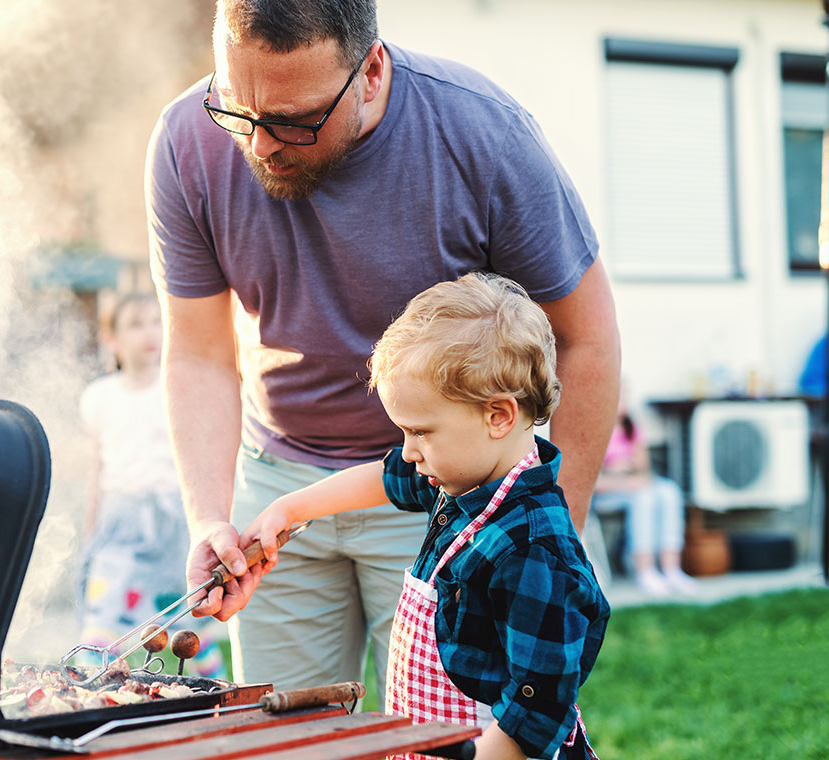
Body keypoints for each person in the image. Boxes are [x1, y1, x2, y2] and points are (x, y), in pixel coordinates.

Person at [145, 0, 620, 691]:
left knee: (447, 733)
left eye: (294, 120)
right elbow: (197, 354)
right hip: (278, 487)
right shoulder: (186, 140)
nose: (260, 144)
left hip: (448, 484)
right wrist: (212, 518)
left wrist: (544, 538)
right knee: (286, 738)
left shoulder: (483, 135)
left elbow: (589, 338)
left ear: (369, 72)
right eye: (237, 108)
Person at [241, 273, 609, 760]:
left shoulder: (533, 549)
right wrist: (288, 509)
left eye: (421, 431)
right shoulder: (464, 475)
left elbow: (536, 712)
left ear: (498, 415)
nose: (409, 451)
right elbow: (384, 477)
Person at [77, 291, 225, 677]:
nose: (149, 332)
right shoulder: (98, 397)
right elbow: (97, 472)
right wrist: (91, 532)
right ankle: (92, 694)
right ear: (111, 338)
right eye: (135, 324)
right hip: (121, 522)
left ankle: (215, 697)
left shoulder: (176, 389)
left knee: (181, 622)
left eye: (156, 322)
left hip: (173, 521)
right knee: (104, 619)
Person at [592, 395, 697, 597]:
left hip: (633, 485)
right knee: (644, 498)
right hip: (607, 494)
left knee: (669, 491)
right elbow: (593, 482)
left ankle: (671, 568)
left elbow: (644, 470)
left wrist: (632, 470)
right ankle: (644, 569)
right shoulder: (594, 430)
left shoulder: (632, 429)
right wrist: (619, 476)